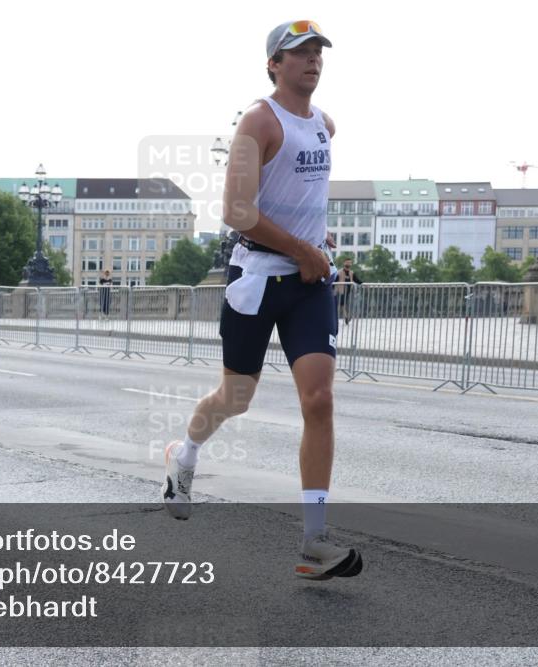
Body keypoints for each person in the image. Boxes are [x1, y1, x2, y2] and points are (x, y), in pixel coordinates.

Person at [161, 20, 362, 580]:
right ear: (274, 64)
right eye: (299, 53)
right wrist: (303, 245)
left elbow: (302, 191)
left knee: (319, 400)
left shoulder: (324, 123)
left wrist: (314, 240)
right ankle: (184, 456)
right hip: (258, 280)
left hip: (307, 286)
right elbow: (237, 211)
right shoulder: (258, 120)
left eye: (318, 52)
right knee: (236, 397)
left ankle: (316, 539)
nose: (312, 61)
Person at [335, 256, 362, 324]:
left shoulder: (351, 273)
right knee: (341, 304)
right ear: (344, 263)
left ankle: (346, 317)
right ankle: (343, 318)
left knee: (344, 304)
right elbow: (335, 281)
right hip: (340, 291)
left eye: (350, 263)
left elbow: (357, 280)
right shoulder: (339, 272)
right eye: (347, 262)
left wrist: (364, 284)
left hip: (349, 292)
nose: (348, 264)